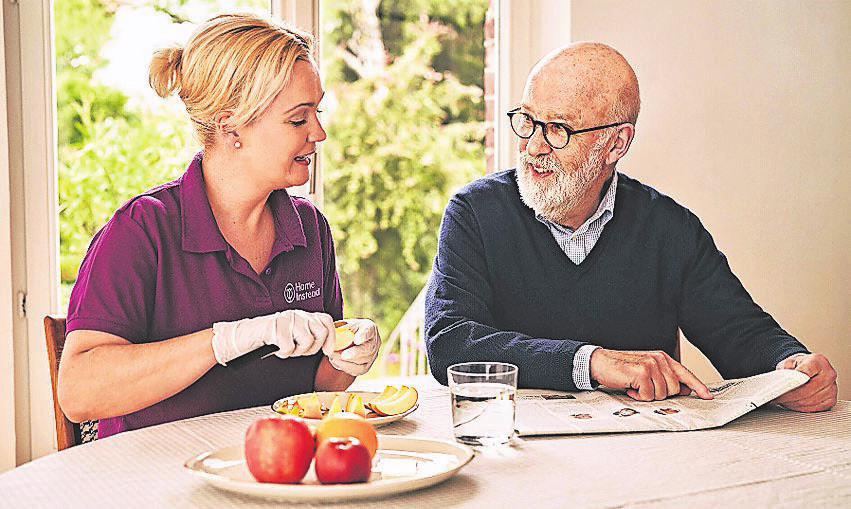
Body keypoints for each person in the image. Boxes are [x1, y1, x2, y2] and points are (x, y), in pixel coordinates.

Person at [424, 42, 837, 412]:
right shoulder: (474, 212)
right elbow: (450, 343)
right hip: (514, 451)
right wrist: (593, 362)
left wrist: (791, 366)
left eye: (558, 129)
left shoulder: (671, 228)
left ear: (616, 144)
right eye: (527, 120)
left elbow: (739, 332)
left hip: (642, 461)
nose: (533, 146)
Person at [57, 13, 381, 438]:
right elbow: (79, 393)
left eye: (317, 113)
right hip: (153, 481)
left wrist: (345, 358)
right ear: (231, 125)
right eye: (298, 119)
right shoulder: (142, 231)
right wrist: (224, 341)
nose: (318, 132)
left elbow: (315, 390)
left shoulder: (309, 229)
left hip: (278, 476)